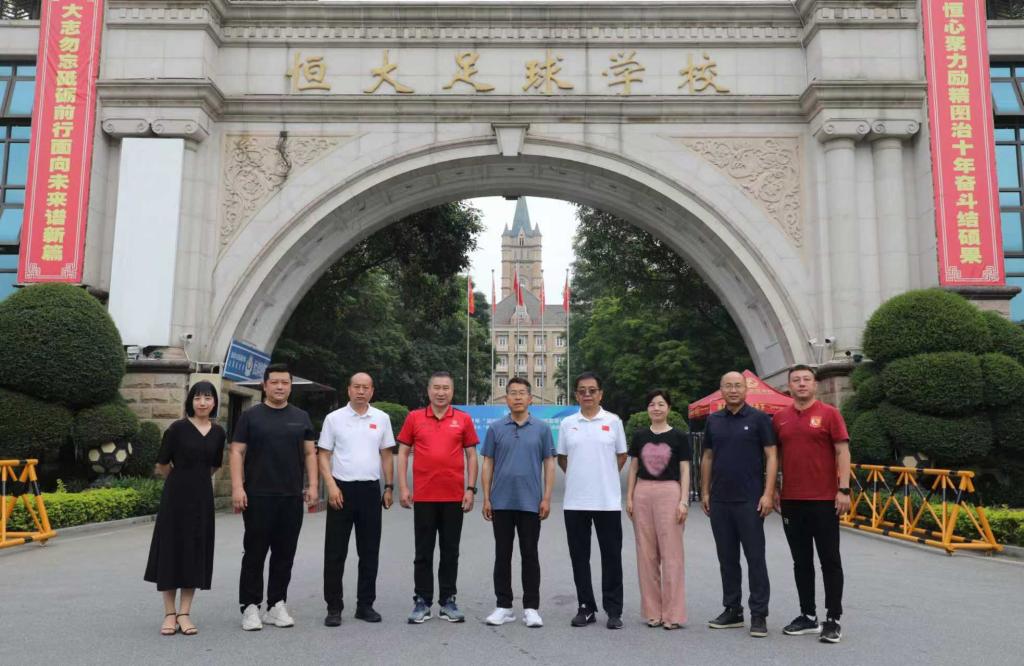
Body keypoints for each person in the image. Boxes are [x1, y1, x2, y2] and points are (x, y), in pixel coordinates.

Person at [230, 363, 318, 631]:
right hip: (258, 495)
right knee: (254, 553)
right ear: (265, 385)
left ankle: (276, 604)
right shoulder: (250, 416)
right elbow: (236, 452)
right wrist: (237, 487)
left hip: (291, 496)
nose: (280, 387)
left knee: (284, 553)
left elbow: (310, 453)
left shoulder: (301, 417)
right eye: (275, 382)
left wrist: (313, 485)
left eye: (285, 383)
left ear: (290, 386)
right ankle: (250, 606)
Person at [772, 364, 851, 644]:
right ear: (789, 386)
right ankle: (808, 615)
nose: (802, 384)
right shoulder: (779, 418)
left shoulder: (830, 414)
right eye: (796, 380)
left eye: (807, 379)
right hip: (792, 500)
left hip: (824, 500)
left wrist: (844, 489)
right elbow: (774, 457)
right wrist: (773, 489)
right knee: (801, 561)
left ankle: (833, 619)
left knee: (830, 560)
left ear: (815, 385)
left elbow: (842, 451)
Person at [144, 380, 226, 637]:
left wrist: (197, 481)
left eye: (208, 398)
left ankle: (185, 613)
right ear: (191, 401)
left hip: (202, 499)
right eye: (198, 397)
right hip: (175, 498)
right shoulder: (177, 429)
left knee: (194, 551)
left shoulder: (218, 432)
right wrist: (180, 481)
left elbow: (215, 465)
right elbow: (162, 464)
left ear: (214, 402)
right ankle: (169, 614)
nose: (202, 402)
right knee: (171, 551)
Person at [397, 371, 480, 624]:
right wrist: (403, 487)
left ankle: (447, 601)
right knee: (423, 552)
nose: (441, 392)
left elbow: (472, 456)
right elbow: (403, 453)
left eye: (445, 388)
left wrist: (470, 489)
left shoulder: (463, 419)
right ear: (428, 390)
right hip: (424, 496)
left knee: (450, 552)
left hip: (454, 496)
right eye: (436, 387)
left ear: (452, 392)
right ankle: (422, 601)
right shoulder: (414, 417)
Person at [700, 371, 777, 638]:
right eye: (728, 386)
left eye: (737, 386)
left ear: (746, 389)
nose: (733, 390)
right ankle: (732, 609)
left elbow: (771, 455)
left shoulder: (759, 419)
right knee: (727, 558)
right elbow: (707, 457)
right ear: (721, 390)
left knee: (755, 558)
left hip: (750, 500)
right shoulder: (713, 420)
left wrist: (768, 493)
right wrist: (705, 491)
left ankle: (759, 614)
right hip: (720, 500)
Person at [318, 372, 396, 627]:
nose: (361, 391)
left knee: (369, 552)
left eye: (366, 387)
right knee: (335, 552)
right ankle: (334, 607)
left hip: (370, 491)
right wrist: (331, 486)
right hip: (341, 490)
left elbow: (387, 455)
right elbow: (323, 454)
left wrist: (389, 487)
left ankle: (365, 605)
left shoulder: (381, 418)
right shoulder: (334, 418)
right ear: (349, 390)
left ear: (372, 391)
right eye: (356, 387)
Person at [481, 377, 556, 629]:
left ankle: (531, 608)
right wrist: (486, 497)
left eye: (522, 393)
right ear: (506, 399)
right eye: (512, 393)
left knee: (529, 555)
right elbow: (488, 462)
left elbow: (549, 463)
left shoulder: (542, 429)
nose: (517, 397)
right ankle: (503, 606)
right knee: (502, 555)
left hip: (531, 502)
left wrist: (546, 497)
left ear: (530, 398)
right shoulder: (495, 428)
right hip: (501, 501)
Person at [557, 371, 628, 630]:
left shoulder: (613, 421)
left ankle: (614, 609)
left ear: (601, 394)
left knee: (612, 557)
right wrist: (581, 476)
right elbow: (562, 458)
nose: (587, 394)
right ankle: (586, 607)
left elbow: (621, 455)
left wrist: (603, 476)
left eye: (592, 390)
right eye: (582, 391)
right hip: (575, 502)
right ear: (576, 395)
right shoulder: (567, 424)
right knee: (579, 558)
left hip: (607, 501)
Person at [625, 389, 691, 630]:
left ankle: (673, 614)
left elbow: (685, 469)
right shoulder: (640, 436)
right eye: (652, 404)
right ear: (647, 409)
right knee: (646, 555)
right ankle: (652, 612)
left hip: (670, 492)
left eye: (661, 404)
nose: (656, 408)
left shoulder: (679, 437)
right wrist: (629, 497)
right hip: (642, 493)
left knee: (672, 555)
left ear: (669, 408)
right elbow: (633, 468)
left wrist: (683, 500)